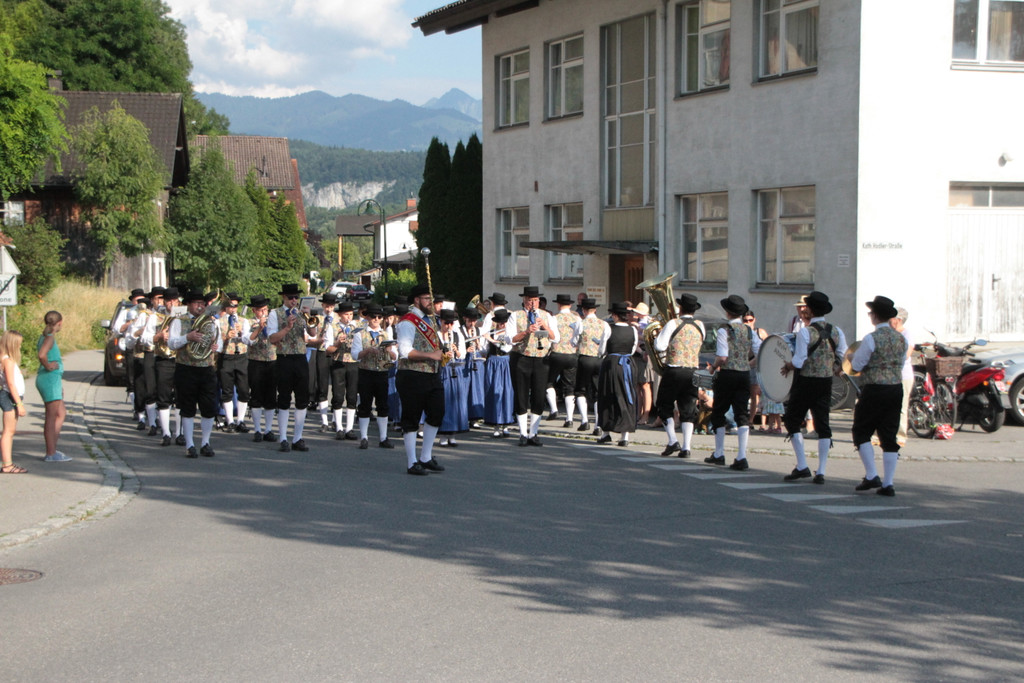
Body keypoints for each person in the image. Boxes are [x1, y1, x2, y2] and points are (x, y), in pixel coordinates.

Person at [780, 291, 848, 485]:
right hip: (826, 382)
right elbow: (841, 354)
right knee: (823, 424)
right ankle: (822, 470)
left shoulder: (805, 332)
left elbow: (800, 360)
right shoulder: (837, 331)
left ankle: (802, 465)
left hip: (806, 381)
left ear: (810, 309)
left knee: (793, 419)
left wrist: (788, 366)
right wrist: (834, 367)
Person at [849, 295, 907, 496]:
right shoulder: (901, 338)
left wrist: (851, 358)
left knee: (862, 431)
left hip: (874, 388)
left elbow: (857, 366)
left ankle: (872, 474)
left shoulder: (871, 338)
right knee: (889, 434)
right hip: (895, 388)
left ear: (874, 316)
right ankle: (888, 483)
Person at [705, 295, 761, 470]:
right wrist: (748, 363)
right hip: (744, 375)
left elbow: (722, 356)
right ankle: (741, 456)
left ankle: (719, 453)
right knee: (741, 413)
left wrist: (713, 368)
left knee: (719, 411)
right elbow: (760, 352)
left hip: (728, 374)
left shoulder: (724, 330)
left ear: (727, 312)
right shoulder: (750, 331)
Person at [395, 284, 446, 475]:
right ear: (416, 300)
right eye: (427, 299)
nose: (431, 303)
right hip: (411, 375)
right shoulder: (408, 322)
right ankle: (411, 462)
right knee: (411, 418)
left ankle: (425, 457)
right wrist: (432, 355)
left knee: (437, 413)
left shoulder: (431, 320)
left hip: (431, 374)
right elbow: (405, 352)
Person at [168, 290, 222, 458]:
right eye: (196, 303)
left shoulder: (211, 322)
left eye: (203, 303)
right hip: (186, 368)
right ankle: (190, 444)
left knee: (209, 407)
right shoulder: (179, 321)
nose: (200, 306)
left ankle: (205, 442)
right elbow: (171, 343)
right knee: (187, 406)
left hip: (206, 368)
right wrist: (188, 337)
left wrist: (215, 347)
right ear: (189, 305)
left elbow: (218, 342)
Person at [654, 293, 705, 458]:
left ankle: (672, 440)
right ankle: (686, 447)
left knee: (664, 404)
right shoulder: (700, 325)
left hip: (674, 369)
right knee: (688, 408)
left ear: (680, 308)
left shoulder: (672, 323)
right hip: (692, 370)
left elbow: (660, 346)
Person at [507, 285, 559, 446]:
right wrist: (526, 332)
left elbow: (555, 338)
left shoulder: (547, 316)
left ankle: (533, 433)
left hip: (541, 359)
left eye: (535, 300)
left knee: (538, 396)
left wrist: (545, 326)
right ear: (524, 300)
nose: (533, 303)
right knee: (521, 396)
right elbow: (510, 339)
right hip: (521, 358)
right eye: (530, 300)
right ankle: (523, 433)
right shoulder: (515, 316)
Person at [266, 283, 314, 452]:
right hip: (284, 359)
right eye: (290, 297)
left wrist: (309, 318)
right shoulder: (275, 314)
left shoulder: (302, 314)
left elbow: (313, 334)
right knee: (284, 398)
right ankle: (284, 438)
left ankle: (298, 438)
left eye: (296, 297)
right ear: (284, 298)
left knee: (302, 399)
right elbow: (272, 338)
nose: (294, 301)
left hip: (300, 358)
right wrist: (287, 327)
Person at [351, 303, 396, 449]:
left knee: (383, 405)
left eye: (379, 317)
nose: (377, 319)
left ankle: (383, 437)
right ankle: (364, 437)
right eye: (374, 317)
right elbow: (355, 355)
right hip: (366, 372)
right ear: (368, 318)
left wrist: (389, 351)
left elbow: (395, 357)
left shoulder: (386, 334)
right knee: (365, 404)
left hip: (382, 373)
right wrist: (368, 351)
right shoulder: (360, 334)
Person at [596, 302, 641, 446]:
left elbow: (602, 350)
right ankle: (624, 436)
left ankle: (606, 432)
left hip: (612, 363)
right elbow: (633, 349)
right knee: (626, 396)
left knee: (607, 395)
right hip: (627, 363)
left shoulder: (608, 328)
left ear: (615, 315)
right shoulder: (633, 330)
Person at [574, 298, 610, 434]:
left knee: (581, 390)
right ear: (595, 309)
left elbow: (574, 341)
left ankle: (584, 421)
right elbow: (605, 343)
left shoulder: (580, 323)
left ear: (583, 310)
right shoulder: (604, 324)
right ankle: (598, 424)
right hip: (599, 359)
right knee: (597, 392)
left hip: (584, 357)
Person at [216, 293, 251, 433]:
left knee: (243, 390)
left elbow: (249, 340)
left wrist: (242, 333)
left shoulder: (244, 321)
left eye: (236, 306)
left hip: (241, 356)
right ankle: (229, 420)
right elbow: (217, 344)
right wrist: (226, 337)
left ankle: (240, 420)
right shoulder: (219, 322)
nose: (234, 309)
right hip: (227, 357)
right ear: (226, 306)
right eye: (231, 306)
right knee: (227, 390)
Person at [37, 310, 69, 462]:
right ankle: (50, 453)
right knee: (51, 416)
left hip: (52, 380)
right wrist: (48, 365)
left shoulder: (44, 336)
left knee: (61, 413)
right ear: (59, 323)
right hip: (50, 378)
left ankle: (53, 448)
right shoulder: (49, 338)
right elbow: (42, 355)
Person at [245, 294, 278, 442]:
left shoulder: (273, 321)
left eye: (265, 309)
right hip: (256, 361)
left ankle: (268, 429)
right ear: (254, 311)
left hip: (272, 361)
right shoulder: (248, 323)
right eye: (260, 310)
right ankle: (257, 429)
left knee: (271, 396)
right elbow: (248, 340)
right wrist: (259, 328)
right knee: (256, 395)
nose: (264, 313)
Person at [545, 293, 580, 426]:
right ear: (570, 305)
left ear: (558, 304)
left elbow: (551, 336)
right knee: (569, 387)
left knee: (548, 381)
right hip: (571, 354)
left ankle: (554, 409)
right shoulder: (576, 319)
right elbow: (578, 337)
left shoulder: (553, 318)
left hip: (556, 353)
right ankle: (570, 419)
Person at [329, 301, 361, 440]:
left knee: (352, 395)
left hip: (353, 363)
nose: (349, 317)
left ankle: (349, 428)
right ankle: (339, 427)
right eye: (346, 314)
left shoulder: (358, 327)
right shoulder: (333, 327)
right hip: (339, 362)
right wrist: (338, 343)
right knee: (337, 395)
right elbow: (327, 349)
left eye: (351, 314)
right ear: (340, 315)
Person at [437, 308, 468, 446]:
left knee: (455, 402)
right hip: (442, 371)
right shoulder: (436, 335)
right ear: (440, 321)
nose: (448, 326)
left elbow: (463, 355)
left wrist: (456, 351)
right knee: (443, 402)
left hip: (455, 370)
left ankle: (453, 434)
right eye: (446, 323)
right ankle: (443, 434)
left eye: (450, 323)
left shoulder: (457, 335)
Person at [482, 309, 515, 437]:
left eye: (504, 323)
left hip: (505, 363)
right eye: (499, 323)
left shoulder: (509, 334)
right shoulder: (491, 332)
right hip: (492, 363)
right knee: (493, 392)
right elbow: (484, 350)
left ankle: (506, 425)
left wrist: (491, 339)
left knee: (506, 392)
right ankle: (495, 425)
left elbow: (506, 347)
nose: (502, 325)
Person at [0, 331, 28, 473]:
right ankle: (7, 465)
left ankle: (7, 463)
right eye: (18, 344)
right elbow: (11, 384)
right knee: (8, 432)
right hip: (10, 398)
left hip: (9, 396)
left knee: (9, 431)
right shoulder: (8, 361)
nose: (20, 346)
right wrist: (19, 404)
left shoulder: (4, 359)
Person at [891, 307, 914, 447]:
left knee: (901, 406)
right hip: (888, 374)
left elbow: (906, 355)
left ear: (898, 320)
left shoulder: (906, 334)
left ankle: (900, 435)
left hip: (903, 375)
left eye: (891, 317)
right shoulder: (887, 333)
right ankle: (878, 435)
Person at [743, 310, 770, 427]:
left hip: (755, 365)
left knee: (754, 394)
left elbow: (768, 347)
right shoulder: (742, 332)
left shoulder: (760, 332)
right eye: (745, 320)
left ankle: (751, 419)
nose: (748, 322)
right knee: (744, 393)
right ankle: (743, 417)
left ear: (754, 320)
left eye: (750, 320)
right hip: (744, 364)